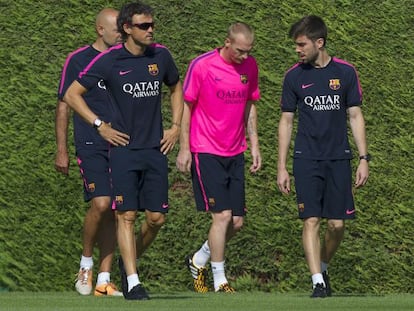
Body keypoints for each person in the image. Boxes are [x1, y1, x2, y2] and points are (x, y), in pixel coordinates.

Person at [63, 1, 183, 300]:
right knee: (125, 215)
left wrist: (176, 126)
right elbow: (71, 95)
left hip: (155, 150)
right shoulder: (109, 60)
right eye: (144, 26)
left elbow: (176, 87)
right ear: (127, 29)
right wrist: (99, 124)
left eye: (152, 25)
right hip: (123, 151)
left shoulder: (162, 55)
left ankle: (125, 260)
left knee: (156, 219)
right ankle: (132, 280)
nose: (150, 30)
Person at [276, 15, 370, 298]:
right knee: (311, 221)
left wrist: (363, 158)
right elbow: (286, 121)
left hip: (339, 159)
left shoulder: (345, 73)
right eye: (296, 45)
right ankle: (317, 281)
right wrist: (282, 166)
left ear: (320, 42)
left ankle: (323, 266)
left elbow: (355, 115)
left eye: (302, 44)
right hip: (306, 159)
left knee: (337, 224)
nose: (297, 50)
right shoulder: (293, 76)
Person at [176, 22, 261, 293]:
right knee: (222, 216)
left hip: (235, 150)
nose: (244, 57)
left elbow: (250, 106)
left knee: (236, 222)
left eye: (248, 51)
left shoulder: (250, 67)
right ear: (226, 42)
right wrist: (184, 147)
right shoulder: (202, 65)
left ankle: (199, 258)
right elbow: (186, 107)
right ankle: (219, 280)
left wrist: (255, 145)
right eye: (239, 51)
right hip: (206, 149)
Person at [55, 8, 123, 297]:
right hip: (90, 142)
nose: (122, 33)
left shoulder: (126, 59)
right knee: (101, 203)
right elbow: (64, 105)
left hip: (121, 143)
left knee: (116, 209)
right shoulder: (78, 59)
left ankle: (104, 281)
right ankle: (86, 264)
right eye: (117, 29)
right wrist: (61, 150)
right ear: (100, 29)